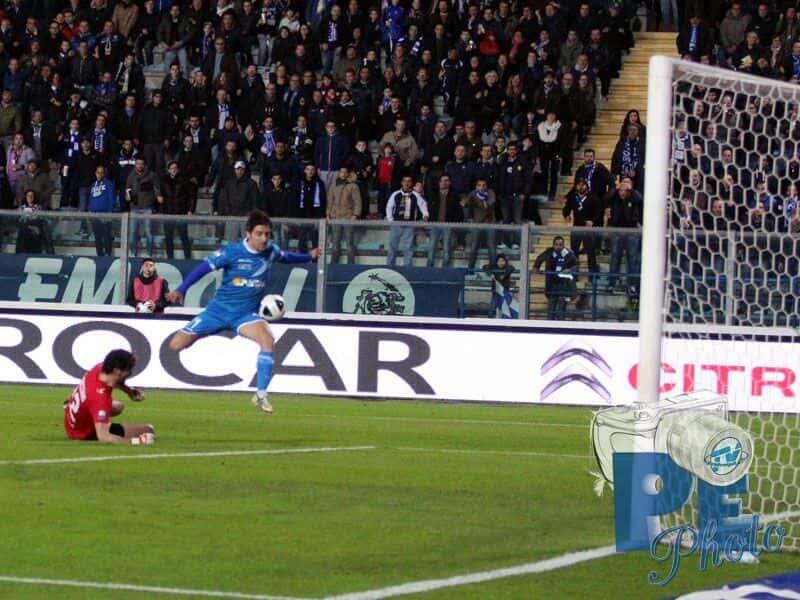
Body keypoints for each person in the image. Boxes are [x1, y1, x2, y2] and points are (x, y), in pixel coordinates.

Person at [165, 210, 321, 414]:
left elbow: (286, 257)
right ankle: (207, 331)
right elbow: (203, 268)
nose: (264, 238)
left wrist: (308, 256)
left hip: (245, 316)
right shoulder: (232, 252)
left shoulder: (271, 250)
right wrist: (181, 289)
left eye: (267, 234)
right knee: (175, 345)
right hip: (217, 312)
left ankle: (261, 393)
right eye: (259, 234)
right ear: (248, 234)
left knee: (267, 339)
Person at [64, 349, 155, 445]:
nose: (129, 373)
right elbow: (103, 437)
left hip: (73, 422)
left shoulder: (99, 368)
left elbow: (115, 381)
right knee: (149, 430)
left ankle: (77, 408)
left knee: (118, 406)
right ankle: (96, 421)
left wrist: (129, 391)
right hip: (82, 432)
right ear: (117, 371)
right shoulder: (100, 400)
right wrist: (137, 441)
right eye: (128, 370)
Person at [385, 175, 429, 266]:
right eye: (405, 181)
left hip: (409, 225)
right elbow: (389, 207)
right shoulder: (396, 194)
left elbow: (423, 205)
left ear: (411, 183)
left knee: (408, 248)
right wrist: (390, 220)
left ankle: (407, 267)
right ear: (402, 183)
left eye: (409, 181)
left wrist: (425, 215)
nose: (407, 183)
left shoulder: (415, 195)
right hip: (396, 224)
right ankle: (390, 266)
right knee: (392, 246)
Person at [533, 236, 577, 321]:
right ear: (553, 245)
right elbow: (539, 258)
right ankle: (550, 325)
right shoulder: (549, 252)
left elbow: (575, 265)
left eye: (560, 244)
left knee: (561, 309)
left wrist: (570, 269)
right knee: (551, 309)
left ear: (563, 245)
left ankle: (561, 326)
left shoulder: (568, 253)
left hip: (564, 285)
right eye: (556, 244)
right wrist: (536, 267)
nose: (558, 246)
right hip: (552, 284)